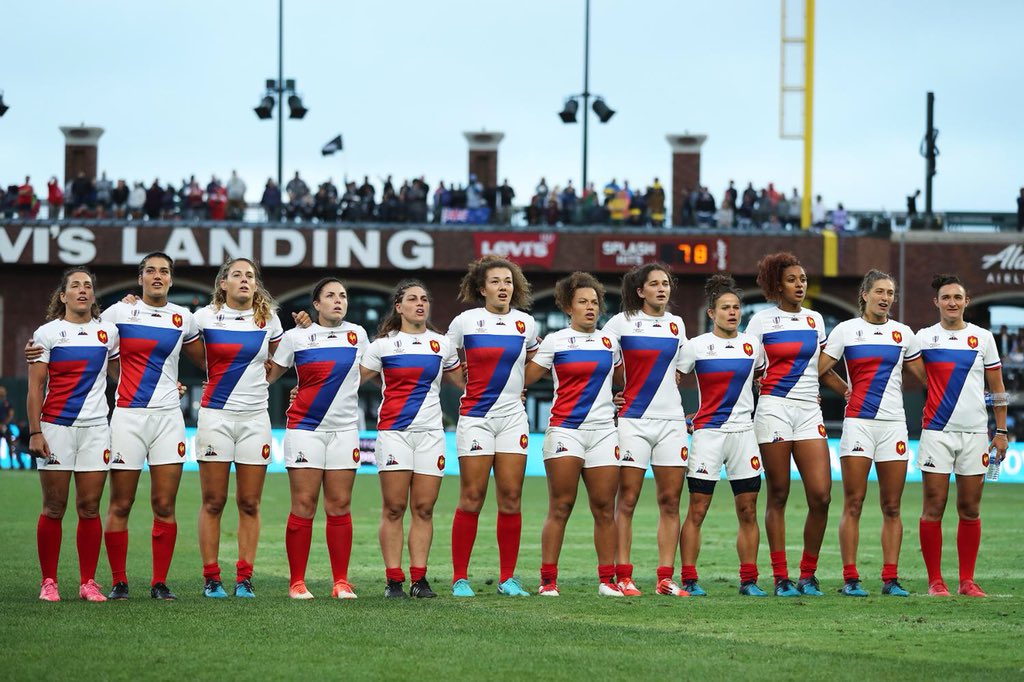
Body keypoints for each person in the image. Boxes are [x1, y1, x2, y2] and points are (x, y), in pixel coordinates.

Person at [83, 253, 203, 600]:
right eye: (150, 270)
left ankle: (159, 583)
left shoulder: (183, 318)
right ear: (140, 278)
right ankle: (119, 582)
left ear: (171, 279)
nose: (157, 276)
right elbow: (90, 341)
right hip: (128, 417)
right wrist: (121, 379)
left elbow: (210, 361)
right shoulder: (119, 313)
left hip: (168, 419)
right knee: (121, 503)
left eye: (164, 271)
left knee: (164, 504)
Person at [745, 252, 847, 596]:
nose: (799, 285)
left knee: (821, 495)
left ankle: (807, 575)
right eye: (792, 280)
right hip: (773, 408)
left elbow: (821, 368)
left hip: (808, 411)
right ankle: (781, 577)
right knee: (778, 493)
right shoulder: (760, 322)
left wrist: (848, 392)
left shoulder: (815, 320)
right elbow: (748, 368)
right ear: (777, 285)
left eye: (802, 279)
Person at [818, 270, 926, 597]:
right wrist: (845, 389)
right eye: (879, 291)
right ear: (865, 294)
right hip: (858, 425)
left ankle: (890, 579)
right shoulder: (846, 330)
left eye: (890, 293)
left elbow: (927, 378)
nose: (885, 298)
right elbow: (820, 368)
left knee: (892, 506)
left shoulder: (903, 334)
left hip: (893, 426)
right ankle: (850, 579)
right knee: (854, 503)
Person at [360, 279, 464, 598]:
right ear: (398, 306)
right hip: (394, 433)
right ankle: (394, 581)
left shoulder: (442, 344)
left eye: (424, 299)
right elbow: (349, 381)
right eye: (413, 299)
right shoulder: (382, 346)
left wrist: (513, 389)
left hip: (431, 436)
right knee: (394, 508)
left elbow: (466, 384)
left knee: (424, 508)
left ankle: (419, 580)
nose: (420, 303)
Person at [525, 272, 625, 597]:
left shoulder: (609, 343)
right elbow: (524, 378)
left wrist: (620, 397)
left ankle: (607, 580)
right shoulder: (555, 341)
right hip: (565, 431)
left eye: (594, 302)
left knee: (604, 508)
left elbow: (623, 381)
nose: (590, 307)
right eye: (583, 302)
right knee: (561, 505)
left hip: (604, 433)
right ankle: (548, 581)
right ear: (569, 307)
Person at [268, 278, 368, 600]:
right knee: (304, 504)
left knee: (339, 505)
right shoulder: (295, 337)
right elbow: (269, 376)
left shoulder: (358, 335)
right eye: (331, 296)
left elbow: (368, 373)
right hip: (305, 428)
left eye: (343, 296)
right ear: (316, 304)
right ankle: (297, 582)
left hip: (344, 431)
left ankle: (341, 582)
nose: (338, 300)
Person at [446, 256, 538, 597]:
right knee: (472, 497)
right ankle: (459, 578)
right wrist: (461, 380)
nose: (503, 287)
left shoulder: (526, 324)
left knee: (511, 498)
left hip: (513, 418)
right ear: (482, 288)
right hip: (476, 418)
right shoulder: (465, 322)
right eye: (496, 281)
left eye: (508, 281)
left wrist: (520, 383)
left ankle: (508, 579)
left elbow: (536, 361)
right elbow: (444, 357)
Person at [27, 267, 120, 601]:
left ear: (93, 296)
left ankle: (88, 582)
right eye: (75, 285)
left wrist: (170, 384)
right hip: (56, 428)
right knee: (54, 506)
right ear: (63, 295)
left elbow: (124, 373)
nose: (82, 290)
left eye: (88, 286)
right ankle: (48, 581)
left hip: (96, 429)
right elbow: (35, 387)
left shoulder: (108, 333)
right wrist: (35, 431)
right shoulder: (47, 334)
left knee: (90, 507)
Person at [193, 258, 284, 598]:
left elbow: (284, 358)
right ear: (223, 284)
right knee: (213, 501)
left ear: (256, 285)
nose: (244, 280)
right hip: (215, 417)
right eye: (237, 275)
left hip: (255, 419)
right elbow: (176, 350)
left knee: (249, 502)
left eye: (250, 276)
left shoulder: (269, 319)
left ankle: (244, 578)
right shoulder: (203, 317)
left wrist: (268, 383)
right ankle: (211, 577)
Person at [917, 274, 1008, 597]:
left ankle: (967, 581)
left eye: (957, 297)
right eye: (946, 297)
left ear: (966, 301)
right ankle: (935, 582)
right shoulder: (924, 338)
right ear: (936, 302)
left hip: (974, 434)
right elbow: (908, 371)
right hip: (936, 433)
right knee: (934, 506)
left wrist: (1001, 430)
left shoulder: (983, 338)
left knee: (970, 508)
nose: (952, 302)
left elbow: (997, 388)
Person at [677, 275, 768, 596]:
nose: (732, 312)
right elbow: (670, 381)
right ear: (711, 313)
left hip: (744, 435)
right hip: (708, 436)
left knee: (748, 510)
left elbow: (762, 381)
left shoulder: (753, 346)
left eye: (736, 307)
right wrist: (678, 414)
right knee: (698, 510)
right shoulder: (696, 347)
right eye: (725, 308)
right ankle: (689, 579)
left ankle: (749, 580)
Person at [601, 263, 689, 597]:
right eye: (654, 284)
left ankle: (665, 578)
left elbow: (682, 367)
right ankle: (623, 576)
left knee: (670, 501)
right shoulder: (620, 323)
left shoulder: (676, 324)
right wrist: (611, 395)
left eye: (665, 283)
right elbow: (600, 362)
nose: (662, 289)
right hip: (633, 421)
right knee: (627, 500)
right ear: (640, 291)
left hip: (671, 423)